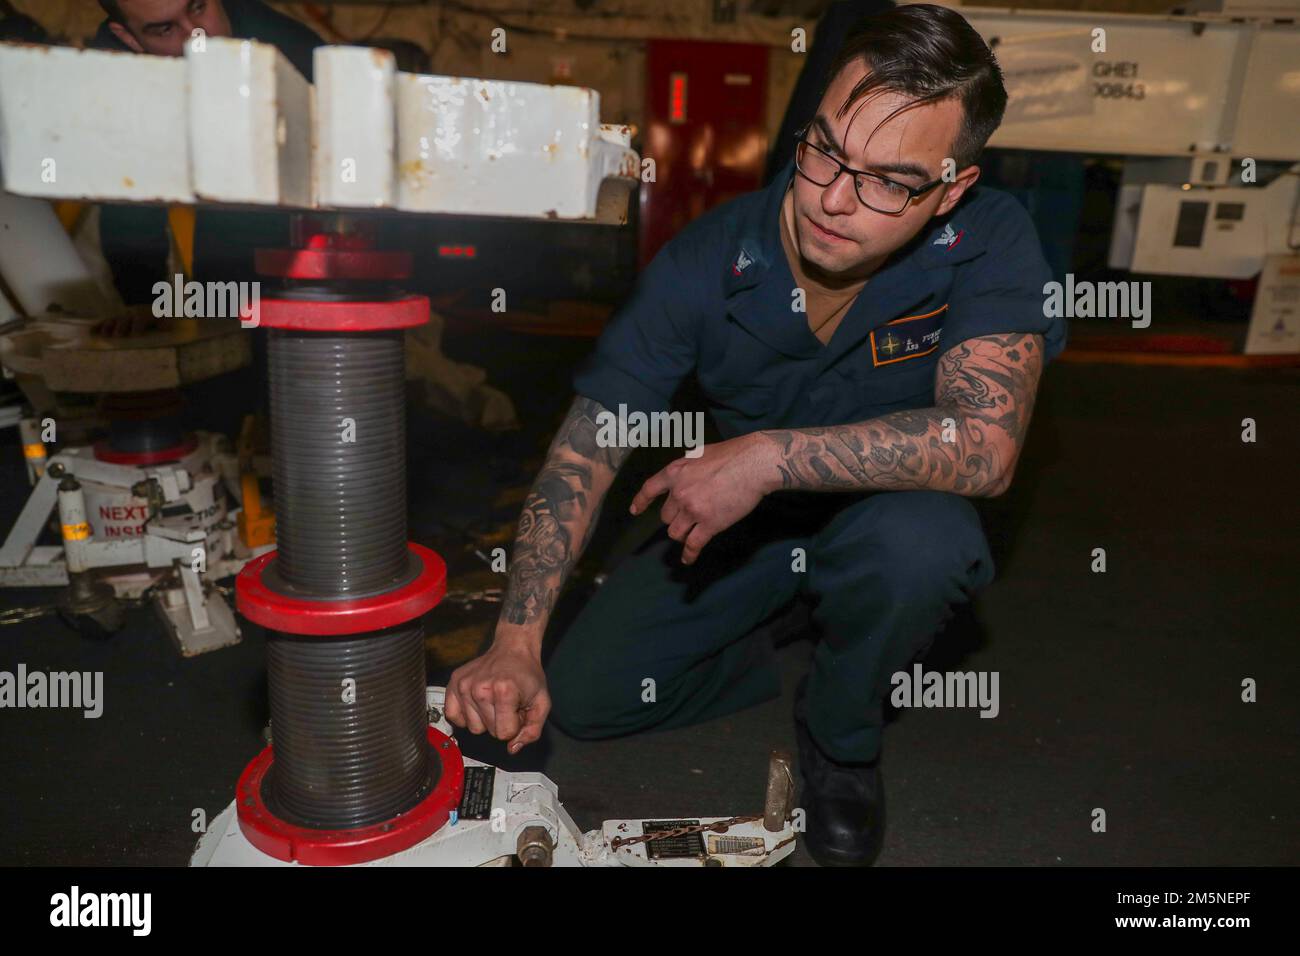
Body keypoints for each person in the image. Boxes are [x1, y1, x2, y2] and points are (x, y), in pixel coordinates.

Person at [444, 3, 1068, 867]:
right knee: (586, 697)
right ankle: (767, 629)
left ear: (951, 189)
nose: (834, 200)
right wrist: (514, 642)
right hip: (739, 529)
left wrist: (769, 456)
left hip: (879, 512)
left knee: (923, 547)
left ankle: (840, 732)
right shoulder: (708, 259)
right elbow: (589, 445)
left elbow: (988, 447)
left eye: (890, 181)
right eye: (825, 151)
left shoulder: (990, 238)